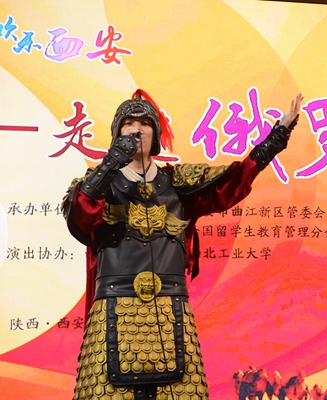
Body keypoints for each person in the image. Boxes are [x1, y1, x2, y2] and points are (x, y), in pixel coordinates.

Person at [62, 89, 303, 400]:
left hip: (171, 315)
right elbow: (81, 216)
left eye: (144, 123)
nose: (136, 130)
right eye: (128, 124)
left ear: (156, 133)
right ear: (117, 133)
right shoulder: (96, 185)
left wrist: (279, 133)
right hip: (112, 313)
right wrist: (109, 165)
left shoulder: (179, 183)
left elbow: (234, 180)